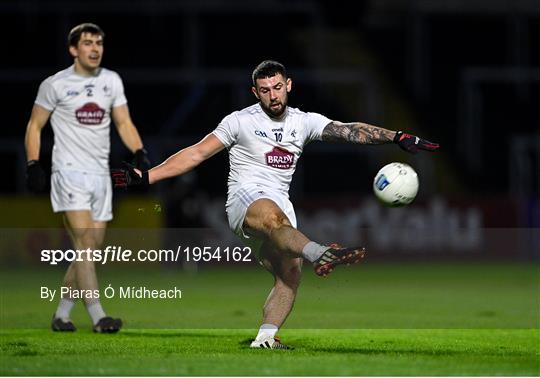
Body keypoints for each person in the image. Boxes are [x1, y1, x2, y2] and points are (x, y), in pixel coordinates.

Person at [112, 60, 439, 348]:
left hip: (280, 206)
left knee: (289, 274)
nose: (273, 95)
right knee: (274, 221)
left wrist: (396, 137)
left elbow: (348, 131)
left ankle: (265, 338)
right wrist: (147, 177)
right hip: (245, 202)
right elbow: (196, 152)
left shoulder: (303, 121)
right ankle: (320, 253)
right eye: (265, 90)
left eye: (278, 87)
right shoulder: (238, 121)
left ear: (289, 86)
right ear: (255, 92)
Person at [24, 23, 151, 333]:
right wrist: (32, 163)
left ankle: (61, 315)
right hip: (68, 172)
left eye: (99, 43)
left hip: (100, 176)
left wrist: (139, 151)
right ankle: (99, 317)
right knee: (84, 243)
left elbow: (123, 122)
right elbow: (35, 126)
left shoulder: (111, 81)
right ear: (73, 49)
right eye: (88, 43)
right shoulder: (55, 84)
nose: (95, 49)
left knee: (91, 249)